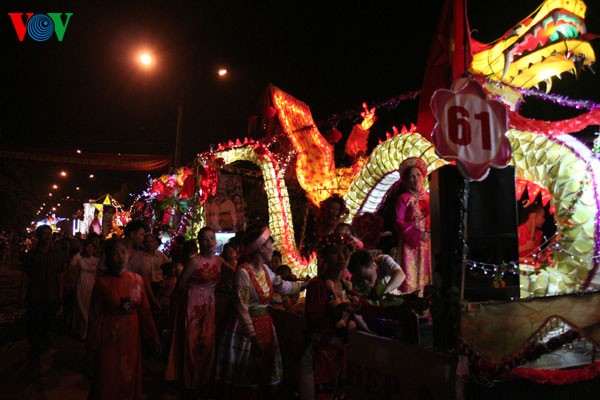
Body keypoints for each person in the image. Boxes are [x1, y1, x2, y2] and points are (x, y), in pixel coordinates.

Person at [216, 225, 307, 399]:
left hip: (265, 325)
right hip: (246, 331)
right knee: (248, 373)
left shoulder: (265, 271)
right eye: (270, 245)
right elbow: (241, 308)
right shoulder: (243, 273)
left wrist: (306, 284)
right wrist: (252, 336)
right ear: (261, 248)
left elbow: (283, 286)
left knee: (264, 372)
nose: (273, 249)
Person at [86, 238, 161, 400]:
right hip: (110, 335)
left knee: (129, 372)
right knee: (109, 372)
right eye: (115, 253)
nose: (120, 256)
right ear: (107, 257)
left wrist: (152, 337)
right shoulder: (102, 283)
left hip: (132, 335)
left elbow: (145, 312)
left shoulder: (137, 280)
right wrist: (92, 346)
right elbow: (94, 316)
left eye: (123, 252)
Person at [299, 232, 369, 400]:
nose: (341, 257)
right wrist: (339, 311)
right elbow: (314, 321)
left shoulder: (346, 288)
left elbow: (364, 308)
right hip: (318, 354)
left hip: (338, 354)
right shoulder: (318, 285)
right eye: (335, 252)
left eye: (345, 251)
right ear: (324, 256)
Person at [165, 227, 223, 395]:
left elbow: (235, 273)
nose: (209, 242)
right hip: (193, 303)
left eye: (212, 238)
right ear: (199, 242)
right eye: (205, 239)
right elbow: (180, 285)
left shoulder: (219, 261)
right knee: (192, 342)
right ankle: (190, 381)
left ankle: (204, 380)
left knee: (207, 341)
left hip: (210, 304)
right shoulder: (194, 262)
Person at [22, 224, 67, 361]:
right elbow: (26, 275)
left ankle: (43, 337)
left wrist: (60, 293)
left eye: (49, 234)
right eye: (44, 234)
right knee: (33, 321)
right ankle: (35, 346)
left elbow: (60, 275)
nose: (47, 237)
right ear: (38, 236)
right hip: (35, 293)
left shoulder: (58, 254)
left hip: (51, 293)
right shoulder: (31, 255)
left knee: (48, 319)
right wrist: (22, 293)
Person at [394, 157, 431, 294]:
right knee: (411, 277)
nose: (416, 179)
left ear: (423, 177)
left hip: (428, 243)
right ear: (407, 181)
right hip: (411, 245)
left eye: (418, 175)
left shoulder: (430, 197)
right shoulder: (404, 199)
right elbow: (399, 222)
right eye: (411, 176)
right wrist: (417, 234)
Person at [71, 237, 99, 340]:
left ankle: (89, 332)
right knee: (81, 307)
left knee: (90, 308)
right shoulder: (79, 258)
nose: (89, 249)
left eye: (91, 247)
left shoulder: (97, 259)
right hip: (82, 283)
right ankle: (82, 331)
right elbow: (72, 267)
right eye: (87, 247)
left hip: (93, 285)